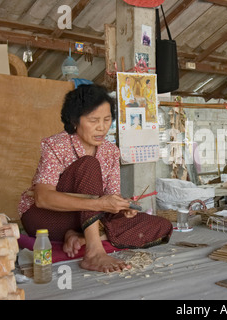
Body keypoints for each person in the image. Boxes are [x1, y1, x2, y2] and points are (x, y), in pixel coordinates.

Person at [18, 84, 173, 273]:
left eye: (107, 119)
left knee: (161, 225)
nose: (102, 127)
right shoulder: (56, 145)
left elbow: (109, 197)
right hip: (46, 218)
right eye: (93, 120)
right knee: (89, 165)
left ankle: (83, 238)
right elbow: (43, 198)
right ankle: (93, 252)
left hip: (81, 221)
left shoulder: (110, 151)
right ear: (75, 120)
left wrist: (121, 207)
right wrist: (100, 205)